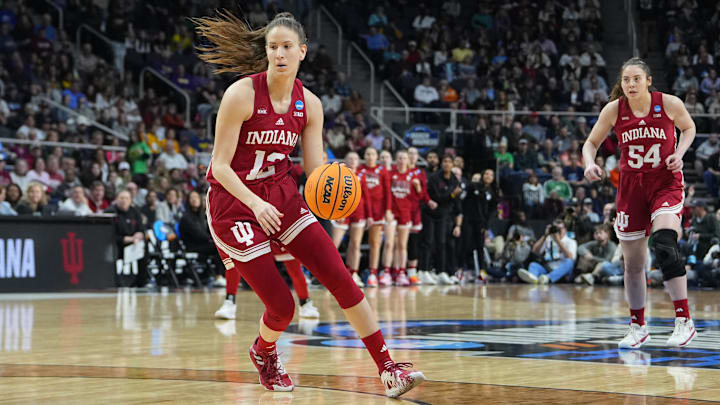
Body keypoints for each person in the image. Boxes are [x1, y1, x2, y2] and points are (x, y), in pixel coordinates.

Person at [194, 11, 423, 396]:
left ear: (302, 51)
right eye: (272, 47)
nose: (279, 54)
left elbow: (316, 174)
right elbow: (218, 166)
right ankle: (264, 352)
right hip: (234, 202)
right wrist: (254, 203)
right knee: (282, 307)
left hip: (282, 197)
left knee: (341, 278)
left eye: (287, 47)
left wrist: (336, 197)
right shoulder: (241, 95)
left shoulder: (310, 105)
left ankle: (389, 369)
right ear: (266, 52)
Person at [582, 57, 697, 349]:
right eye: (625, 80)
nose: (630, 84)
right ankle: (637, 326)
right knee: (633, 265)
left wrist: (680, 153)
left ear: (647, 80)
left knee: (664, 241)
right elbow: (590, 143)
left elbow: (689, 128)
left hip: (664, 183)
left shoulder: (668, 103)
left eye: (636, 79)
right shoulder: (614, 109)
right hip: (631, 188)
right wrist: (588, 164)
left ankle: (684, 320)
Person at [330, 152, 370, 288]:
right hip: (342, 212)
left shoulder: (362, 175)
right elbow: (333, 195)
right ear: (345, 160)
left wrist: (369, 215)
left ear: (359, 161)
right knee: (333, 245)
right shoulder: (339, 174)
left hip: (358, 212)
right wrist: (336, 213)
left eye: (355, 158)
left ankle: (353, 273)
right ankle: (332, 275)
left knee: (356, 244)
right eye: (350, 158)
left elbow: (367, 196)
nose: (353, 160)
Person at [358, 147, 393, 288]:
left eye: (373, 153)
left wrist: (388, 210)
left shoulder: (382, 171)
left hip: (378, 211)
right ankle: (352, 272)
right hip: (361, 210)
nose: (370, 156)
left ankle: (373, 273)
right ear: (364, 156)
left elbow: (388, 192)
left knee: (375, 243)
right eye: (367, 153)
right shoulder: (360, 170)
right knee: (355, 243)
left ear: (376, 156)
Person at [518, 219, 577, 284]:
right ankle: (533, 279)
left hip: (562, 271)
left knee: (569, 262)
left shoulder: (571, 241)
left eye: (559, 228)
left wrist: (558, 241)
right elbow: (535, 251)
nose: (557, 231)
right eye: (555, 228)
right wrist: (545, 236)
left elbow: (571, 257)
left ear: (565, 230)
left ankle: (548, 278)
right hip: (548, 269)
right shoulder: (548, 239)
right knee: (533, 265)